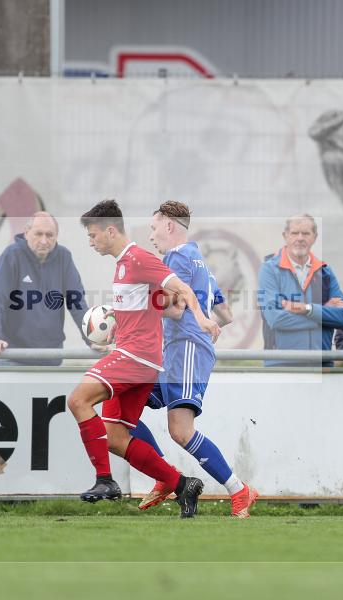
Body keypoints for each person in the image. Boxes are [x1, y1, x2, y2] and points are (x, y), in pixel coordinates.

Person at [66, 199, 220, 518]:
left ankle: (105, 481)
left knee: (78, 400)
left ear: (110, 231)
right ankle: (182, 485)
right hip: (137, 356)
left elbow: (182, 290)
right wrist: (118, 323)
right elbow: (169, 306)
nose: (91, 242)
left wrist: (203, 319)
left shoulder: (138, 258)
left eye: (93, 235)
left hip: (135, 357)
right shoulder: (124, 264)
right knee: (115, 436)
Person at [128, 201, 258, 518]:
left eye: (154, 228)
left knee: (181, 431)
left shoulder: (175, 257)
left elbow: (174, 308)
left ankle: (238, 489)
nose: (151, 236)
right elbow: (225, 315)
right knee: (125, 409)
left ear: (169, 225)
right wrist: (205, 326)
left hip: (185, 349)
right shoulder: (200, 261)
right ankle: (164, 476)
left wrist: (135, 305)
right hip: (178, 351)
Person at [0, 212, 88, 366]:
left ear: (56, 236)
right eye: (38, 234)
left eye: (49, 235)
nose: (44, 241)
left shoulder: (64, 257)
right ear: (26, 233)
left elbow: (77, 303)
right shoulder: (12, 255)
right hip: (12, 356)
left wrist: (91, 339)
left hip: (50, 357)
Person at [258, 214, 343, 367]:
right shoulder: (269, 270)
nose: (300, 238)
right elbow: (275, 319)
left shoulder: (325, 272)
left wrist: (306, 308)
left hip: (322, 365)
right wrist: (322, 316)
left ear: (315, 237)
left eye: (306, 233)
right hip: (280, 365)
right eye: (295, 233)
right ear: (285, 236)